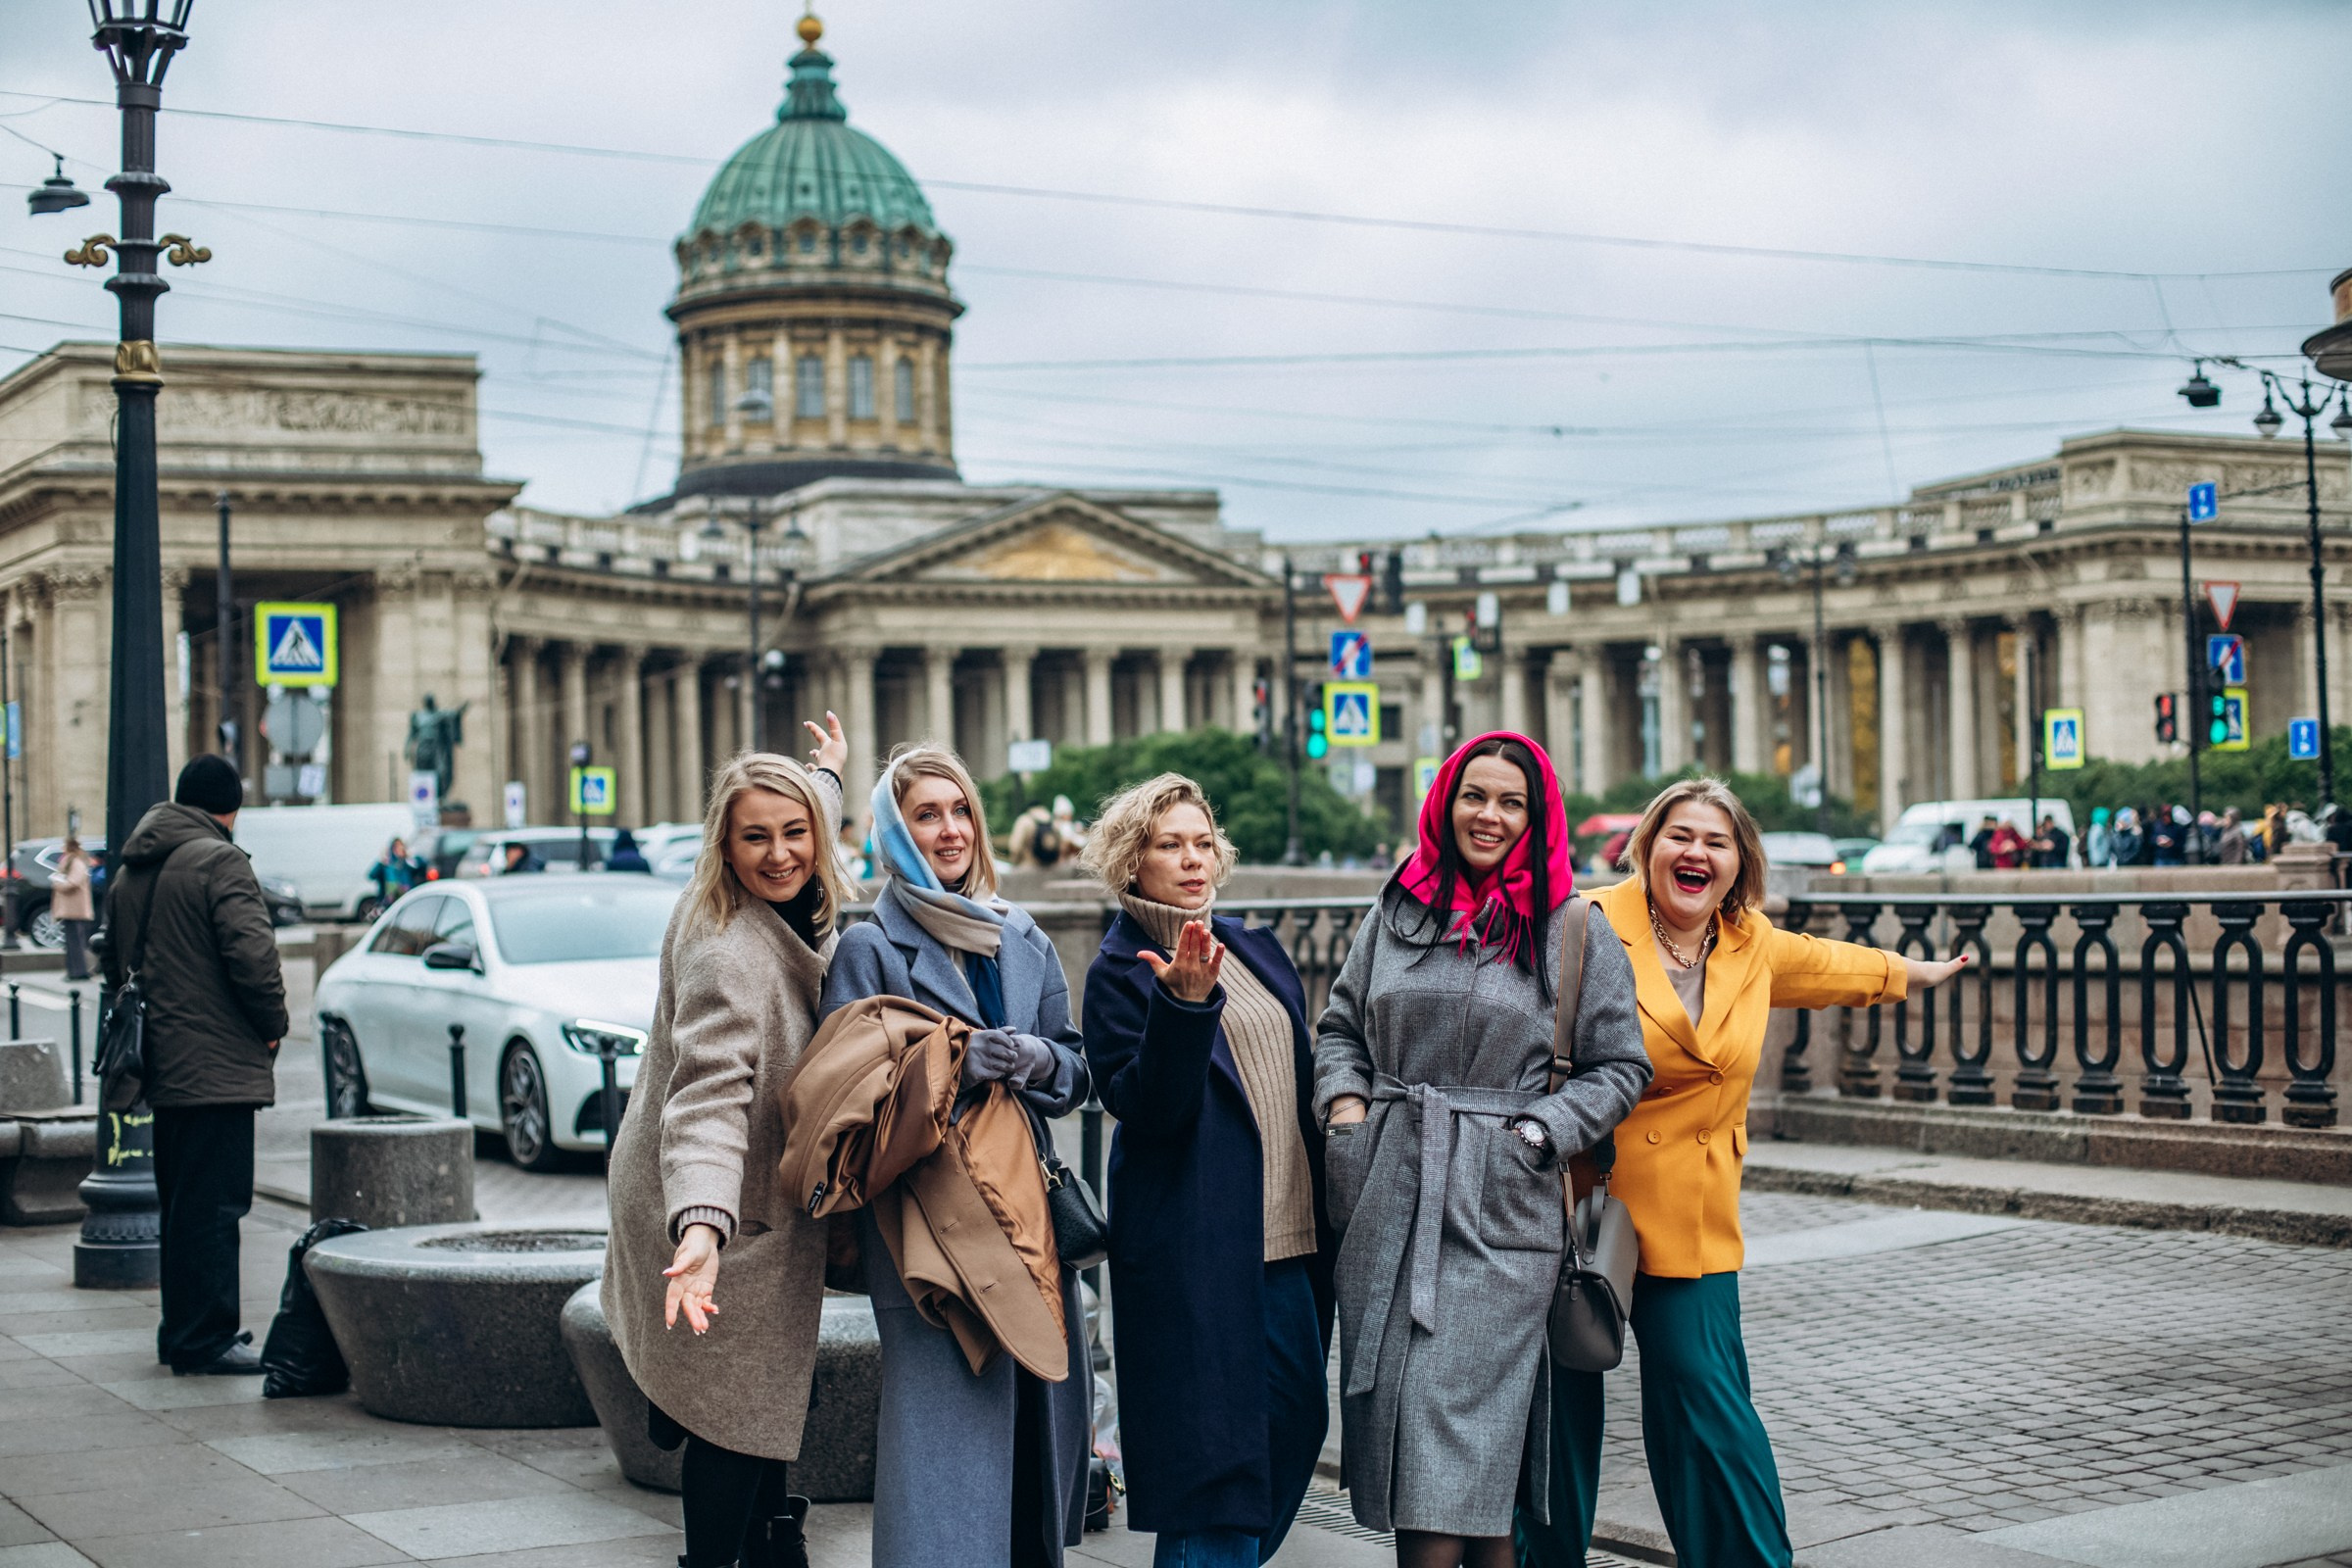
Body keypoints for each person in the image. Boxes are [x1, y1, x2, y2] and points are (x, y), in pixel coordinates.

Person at [1521, 778, 1966, 1568]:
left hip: (1692, 1214)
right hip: (1580, 1206)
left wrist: (1913, 973)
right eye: (1679, 836)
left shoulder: (1748, 942)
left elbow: (1834, 966)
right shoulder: (1583, 922)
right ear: (1649, 846)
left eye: (1716, 842)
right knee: (1559, 1413)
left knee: (1710, 1408)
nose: (1696, 852)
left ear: (1738, 863)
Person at [1315, 732, 1651, 1567]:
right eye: (1474, 796)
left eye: (1512, 802)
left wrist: (1542, 1133)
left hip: (1503, 1217)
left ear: (1538, 819)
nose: (1489, 816)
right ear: (1444, 802)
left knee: (1457, 1458)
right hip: (1388, 1204)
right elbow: (1339, 1029)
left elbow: (1621, 1066)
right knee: (1427, 1457)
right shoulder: (1395, 911)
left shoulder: (1574, 928)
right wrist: (1348, 1112)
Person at [818, 744, 1094, 1568]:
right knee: (942, 1448)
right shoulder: (870, 949)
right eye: (925, 815)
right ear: (895, 835)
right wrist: (948, 1069)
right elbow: (844, 1105)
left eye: (960, 810)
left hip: (1025, 1215)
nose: (949, 830)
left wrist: (1039, 1062)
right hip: (925, 1231)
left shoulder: (1022, 936)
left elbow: (1075, 1068)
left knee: (1028, 1435)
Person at [604, 716, 848, 1568]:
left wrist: (829, 773)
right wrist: (700, 1229)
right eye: (756, 837)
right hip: (718, 1214)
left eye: (796, 832)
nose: (779, 853)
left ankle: (773, 1540)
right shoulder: (731, 952)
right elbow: (705, 1097)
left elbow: (801, 809)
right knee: (739, 1412)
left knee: (760, 1389)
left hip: (732, 1200)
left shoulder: (757, 887)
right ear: (724, 844)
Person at [1079, 774, 1334, 1568]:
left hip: (1289, 1247)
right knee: (1212, 1478)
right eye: (1168, 845)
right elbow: (1149, 1112)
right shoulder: (1120, 972)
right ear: (1132, 862)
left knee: (1296, 1431)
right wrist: (1185, 1010)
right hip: (1197, 1255)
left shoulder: (1254, 948)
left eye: (1201, 842)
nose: (1192, 860)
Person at [103, 756, 289, 1376]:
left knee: (182, 1206)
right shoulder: (220, 861)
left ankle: (179, 1333)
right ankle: (206, 1339)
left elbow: (114, 967)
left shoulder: (132, 870)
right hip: (216, 1066)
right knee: (214, 1209)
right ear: (230, 809)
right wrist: (271, 1029)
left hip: (163, 1064)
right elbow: (254, 959)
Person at [50, 834, 96, 980]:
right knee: (72, 942)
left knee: (75, 941)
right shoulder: (71, 861)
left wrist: (58, 883)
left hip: (74, 909)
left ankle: (79, 971)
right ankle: (74, 970)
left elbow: (73, 882)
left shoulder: (76, 862)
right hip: (70, 909)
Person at [368, 836, 427, 906]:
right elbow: (371, 875)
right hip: (389, 902)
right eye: (397, 847)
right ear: (392, 849)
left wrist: (410, 856)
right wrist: (381, 862)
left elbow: (423, 865)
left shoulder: (408, 863)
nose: (399, 849)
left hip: (406, 899)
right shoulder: (386, 864)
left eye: (401, 846)